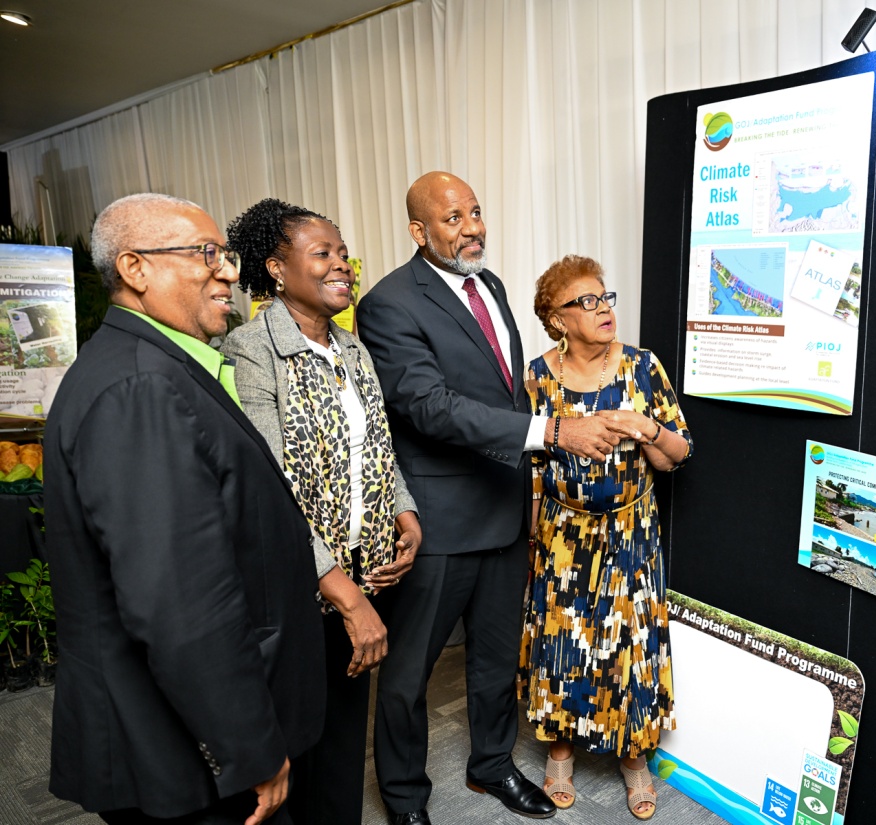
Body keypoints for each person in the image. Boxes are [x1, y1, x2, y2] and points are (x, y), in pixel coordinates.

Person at [42, 193, 324, 824]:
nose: (228, 273)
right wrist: (249, 747)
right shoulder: (140, 387)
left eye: (225, 256)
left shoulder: (156, 366)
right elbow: (180, 602)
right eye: (206, 254)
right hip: (180, 750)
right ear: (135, 268)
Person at [357, 172, 623, 825]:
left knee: (498, 658)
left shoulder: (491, 285)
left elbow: (502, 393)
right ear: (419, 230)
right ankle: (404, 797)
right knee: (408, 675)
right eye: (453, 218)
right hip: (438, 522)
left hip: (503, 511)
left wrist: (529, 489)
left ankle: (493, 765)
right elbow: (429, 407)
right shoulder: (389, 303)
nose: (472, 227)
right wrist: (552, 432)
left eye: (475, 212)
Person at [221, 198, 423, 825]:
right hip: (300, 585)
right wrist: (347, 598)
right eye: (323, 254)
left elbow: (377, 447)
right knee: (296, 741)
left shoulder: (353, 349)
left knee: (342, 736)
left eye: (344, 254)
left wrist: (405, 512)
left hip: (365, 569)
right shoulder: (251, 351)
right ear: (277, 269)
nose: (342, 265)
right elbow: (270, 490)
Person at [521, 255, 693, 821]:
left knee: (629, 647)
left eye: (605, 297)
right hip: (562, 534)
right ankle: (561, 753)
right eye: (586, 302)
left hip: (630, 532)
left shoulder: (643, 367)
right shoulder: (537, 376)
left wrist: (648, 429)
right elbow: (528, 464)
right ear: (557, 318)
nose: (603, 309)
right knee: (563, 646)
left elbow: (677, 456)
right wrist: (530, 537)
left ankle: (634, 758)